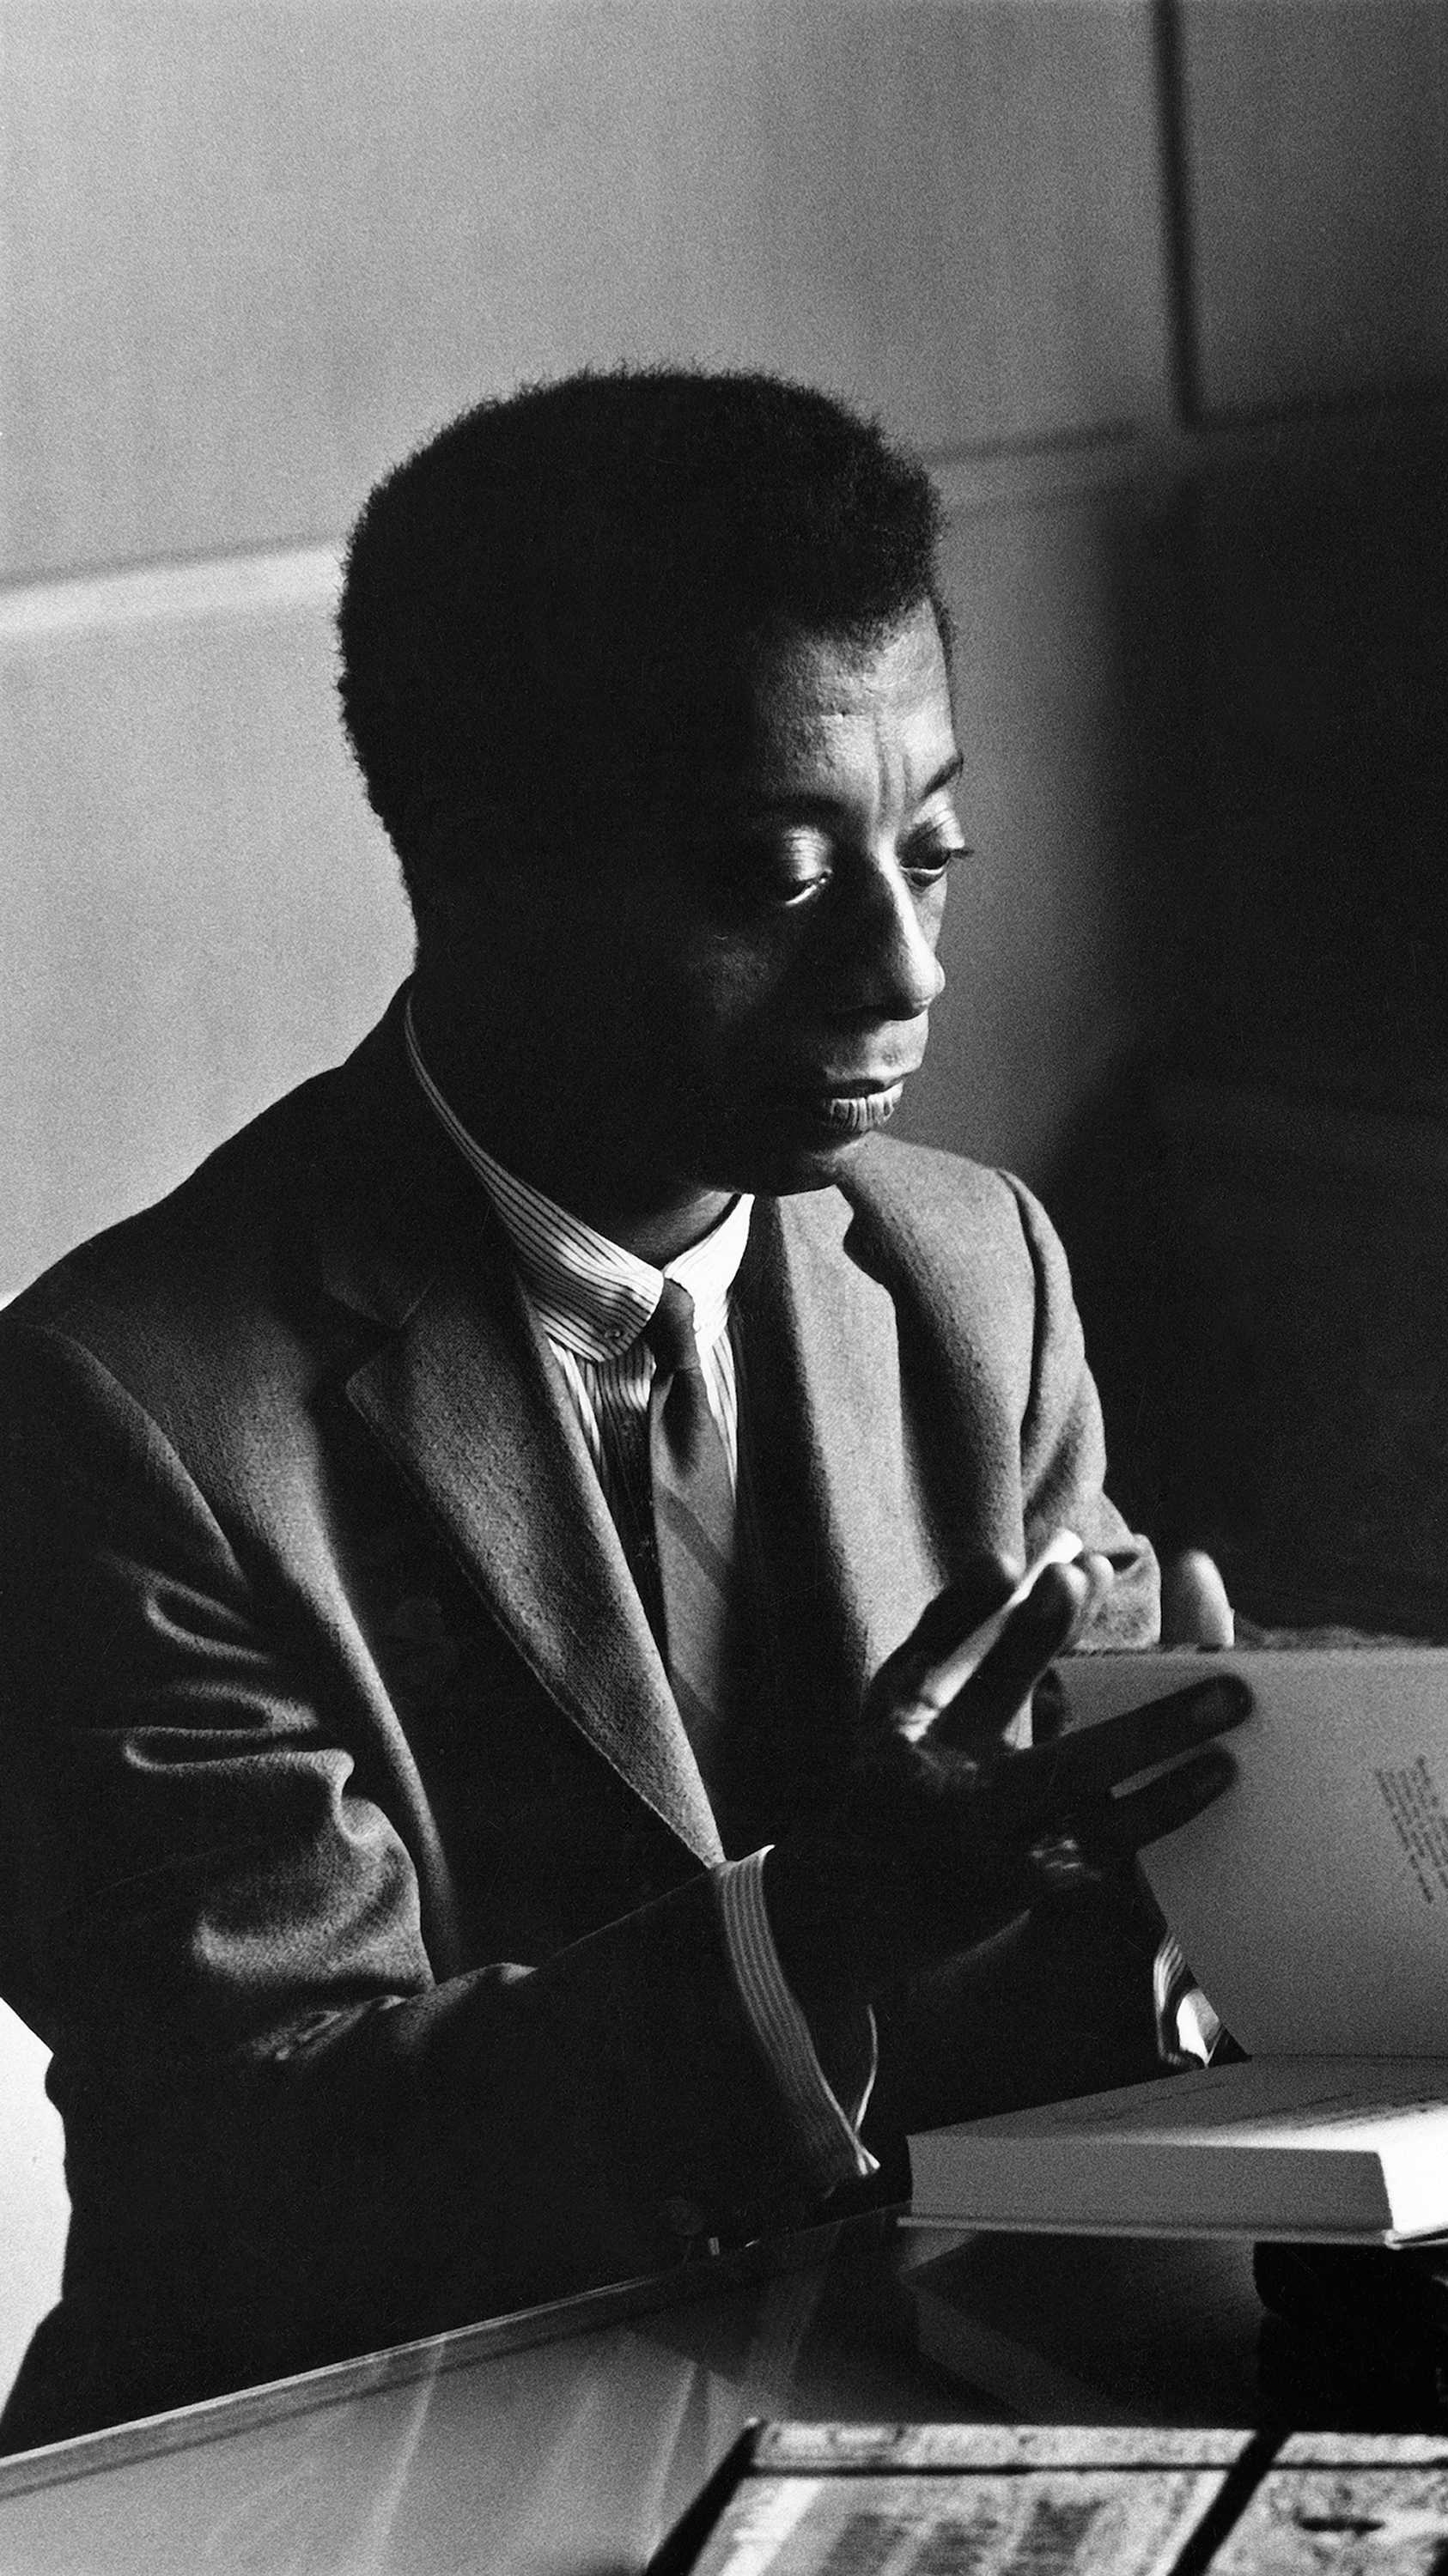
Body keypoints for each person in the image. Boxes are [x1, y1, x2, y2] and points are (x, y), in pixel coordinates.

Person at [0, 368, 1244, 2448]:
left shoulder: (973, 1273)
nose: (909, 969)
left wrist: (1237, 1847)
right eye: (778, 878)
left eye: (930, 852)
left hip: (891, 2414)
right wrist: (819, 1926)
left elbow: (1059, 2011)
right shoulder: (119, 1418)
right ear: (472, 863)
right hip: (337, 2477)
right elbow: (261, 2166)